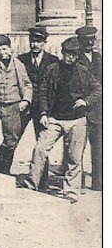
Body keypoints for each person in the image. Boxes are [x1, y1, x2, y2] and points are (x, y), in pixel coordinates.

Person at [18, 36, 101, 203]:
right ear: (62, 53)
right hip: (54, 119)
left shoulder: (83, 71)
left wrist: (85, 101)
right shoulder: (52, 69)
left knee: (74, 158)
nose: (70, 58)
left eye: (73, 55)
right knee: (40, 149)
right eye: (67, 54)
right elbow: (42, 91)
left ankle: (71, 191)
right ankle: (32, 183)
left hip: (77, 121)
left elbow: (98, 89)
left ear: (77, 56)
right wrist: (43, 113)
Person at [17, 25, 58, 188]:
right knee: (13, 138)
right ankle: (2, 174)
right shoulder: (21, 59)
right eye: (33, 40)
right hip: (25, 105)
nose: (35, 44)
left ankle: (42, 182)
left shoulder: (53, 61)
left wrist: (47, 110)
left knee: (42, 144)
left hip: (43, 109)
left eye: (39, 41)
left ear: (45, 42)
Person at [0, 34, 32, 175]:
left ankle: (2, 169)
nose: (2, 53)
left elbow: (27, 84)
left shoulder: (18, 65)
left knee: (11, 138)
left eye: (4, 49)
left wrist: (25, 100)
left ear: (10, 48)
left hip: (12, 104)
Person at [76, 25, 102, 191]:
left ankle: (98, 183)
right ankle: (77, 183)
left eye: (92, 40)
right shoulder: (74, 58)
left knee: (99, 148)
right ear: (80, 41)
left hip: (98, 110)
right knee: (77, 148)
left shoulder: (100, 57)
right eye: (86, 40)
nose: (90, 43)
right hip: (79, 110)